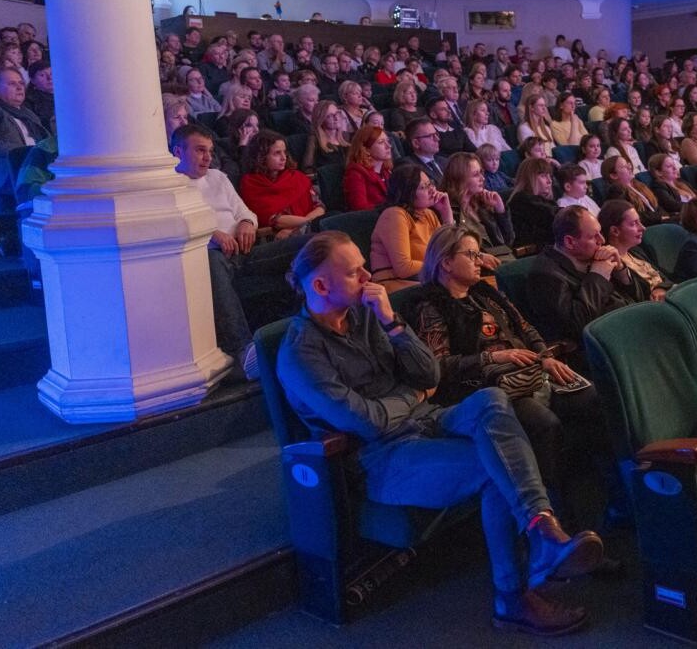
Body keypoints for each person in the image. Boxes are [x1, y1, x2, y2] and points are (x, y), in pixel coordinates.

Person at [277, 231, 603, 636]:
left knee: (489, 400)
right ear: (321, 286)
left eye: (364, 265)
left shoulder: (365, 314)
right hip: (381, 458)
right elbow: (368, 422)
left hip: (426, 419)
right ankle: (512, 597)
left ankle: (542, 529)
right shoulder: (300, 353)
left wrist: (393, 324)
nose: (368, 277)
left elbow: (429, 373)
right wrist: (411, 396)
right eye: (355, 272)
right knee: (494, 465)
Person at [405, 226, 612, 506]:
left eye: (479, 253)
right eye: (471, 254)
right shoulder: (431, 307)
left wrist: (545, 356)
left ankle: (608, 496)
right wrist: (494, 357)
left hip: (532, 371)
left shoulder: (486, 294)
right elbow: (438, 366)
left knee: (596, 399)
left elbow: (526, 328)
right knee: (544, 424)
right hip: (486, 388)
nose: (480, 260)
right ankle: (555, 511)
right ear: (446, 262)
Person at [171, 123, 305, 374]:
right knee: (212, 260)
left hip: (247, 252)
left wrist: (245, 223)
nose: (208, 157)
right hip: (211, 258)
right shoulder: (170, 186)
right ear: (178, 151)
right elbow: (177, 227)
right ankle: (244, 350)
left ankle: (310, 323)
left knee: (313, 244)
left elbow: (246, 212)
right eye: (200, 150)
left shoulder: (218, 177)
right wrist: (214, 234)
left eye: (210, 151)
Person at [526, 206, 650, 345]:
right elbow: (576, 325)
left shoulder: (592, 255)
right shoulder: (545, 275)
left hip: (633, 326)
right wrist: (598, 277)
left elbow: (642, 296)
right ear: (570, 242)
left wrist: (620, 270)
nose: (602, 240)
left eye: (600, 232)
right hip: (608, 345)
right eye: (593, 236)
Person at [369, 164, 453, 289]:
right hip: (395, 284)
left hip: (424, 279)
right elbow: (404, 268)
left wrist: (447, 215)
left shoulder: (428, 213)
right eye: (424, 187)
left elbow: (448, 250)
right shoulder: (394, 215)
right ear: (408, 192)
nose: (432, 190)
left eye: (430, 183)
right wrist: (443, 263)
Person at [239, 130, 326, 238]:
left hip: (304, 228)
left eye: (284, 152)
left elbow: (319, 207)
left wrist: (301, 226)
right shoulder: (251, 184)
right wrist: (308, 224)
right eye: (277, 153)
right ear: (261, 156)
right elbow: (275, 220)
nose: (284, 157)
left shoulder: (296, 176)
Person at [442, 152, 513, 258]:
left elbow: (508, 241)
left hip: (502, 260)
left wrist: (500, 210)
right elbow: (454, 251)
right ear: (460, 179)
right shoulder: (448, 209)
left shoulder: (482, 204)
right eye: (476, 175)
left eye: (481, 173)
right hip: (477, 266)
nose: (482, 178)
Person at [597, 200, 670, 302]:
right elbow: (636, 297)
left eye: (639, 222)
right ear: (615, 231)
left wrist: (660, 288)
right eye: (634, 224)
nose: (643, 228)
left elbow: (666, 278)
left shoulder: (636, 251)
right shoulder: (611, 264)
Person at [0, 67, 49, 156]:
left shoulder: (29, 114)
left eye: (21, 83)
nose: (19, 87)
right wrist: (30, 151)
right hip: (6, 166)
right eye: (12, 83)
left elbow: (47, 141)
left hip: (34, 164)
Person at [509, 158, 558, 251]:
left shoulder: (543, 200)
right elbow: (556, 216)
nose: (549, 181)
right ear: (529, 178)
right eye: (543, 176)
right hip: (531, 255)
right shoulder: (522, 199)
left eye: (549, 176)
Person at [343, 124, 394, 210]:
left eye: (388, 141)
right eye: (381, 142)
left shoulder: (386, 171)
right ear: (366, 148)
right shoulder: (356, 174)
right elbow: (359, 208)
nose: (389, 146)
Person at [602, 155, 663, 225]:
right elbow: (635, 217)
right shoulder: (616, 192)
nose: (630, 167)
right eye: (624, 167)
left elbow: (655, 205)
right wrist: (660, 217)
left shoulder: (638, 185)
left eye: (628, 164)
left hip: (657, 222)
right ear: (614, 175)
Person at [397, 117, 451, 185]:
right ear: (416, 143)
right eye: (430, 136)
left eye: (436, 134)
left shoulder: (445, 161)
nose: (437, 139)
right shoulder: (408, 166)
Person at [301, 100, 350, 171]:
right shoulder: (314, 140)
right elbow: (307, 167)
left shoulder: (346, 136)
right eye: (330, 116)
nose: (336, 118)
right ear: (321, 119)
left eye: (337, 113)